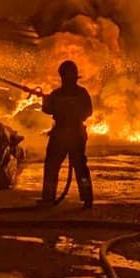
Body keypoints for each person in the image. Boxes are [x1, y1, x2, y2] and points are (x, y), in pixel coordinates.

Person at [40, 60, 94, 208]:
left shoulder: (78, 94)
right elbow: (47, 109)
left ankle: (87, 197)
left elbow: (88, 111)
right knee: (52, 166)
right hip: (63, 134)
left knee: (79, 169)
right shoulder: (57, 94)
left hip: (72, 134)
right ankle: (48, 198)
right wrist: (45, 101)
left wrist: (69, 110)